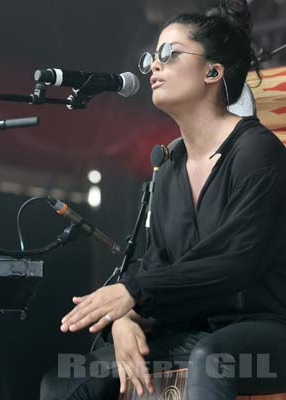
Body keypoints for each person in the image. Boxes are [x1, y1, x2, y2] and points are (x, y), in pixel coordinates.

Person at [40, 0, 286, 399]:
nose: (155, 65)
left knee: (211, 358)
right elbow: (156, 266)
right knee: (64, 380)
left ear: (213, 71)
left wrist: (133, 291)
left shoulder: (258, 152)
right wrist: (123, 319)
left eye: (169, 54)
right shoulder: (168, 167)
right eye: (152, 57)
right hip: (192, 332)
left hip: (269, 332)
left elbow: (237, 261)